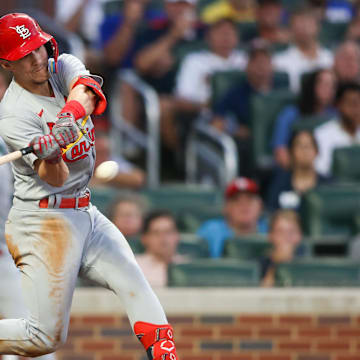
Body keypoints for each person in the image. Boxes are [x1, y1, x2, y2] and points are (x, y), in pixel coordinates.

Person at [0, 13, 178, 360]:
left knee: (132, 281)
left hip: (84, 210)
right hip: (43, 223)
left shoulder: (61, 64)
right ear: (7, 63)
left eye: (38, 47)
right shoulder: (13, 117)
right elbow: (57, 179)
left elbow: (87, 94)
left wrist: (67, 117)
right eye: (25, 55)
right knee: (43, 338)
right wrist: (51, 155)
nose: (37, 58)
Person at [211, 38, 286, 176]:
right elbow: (217, 123)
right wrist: (237, 130)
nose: (260, 67)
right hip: (247, 149)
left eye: (265, 61)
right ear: (247, 65)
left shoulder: (283, 90)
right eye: (255, 61)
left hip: (280, 145)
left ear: (272, 65)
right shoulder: (235, 93)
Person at [272, 68, 337, 169]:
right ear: (312, 86)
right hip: (297, 170)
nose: (328, 89)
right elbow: (280, 152)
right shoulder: (290, 114)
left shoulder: (336, 116)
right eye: (324, 84)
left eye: (332, 86)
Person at [197, 177, 267, 258]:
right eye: (236, 200)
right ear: (226, 207)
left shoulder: (272, 231)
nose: (244, 205)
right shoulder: (210, 231)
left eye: (249, 199)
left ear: (260, 205)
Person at [273, 6, 334, 93]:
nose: (304, 28)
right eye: (299, 23)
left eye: (307, 22)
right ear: (291, 29)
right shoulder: (279, 62)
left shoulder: (330, 59)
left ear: (317, 26)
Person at [267, 130, 331, 210]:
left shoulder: (328, 185)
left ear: (317, 152)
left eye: (308, 146)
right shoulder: (280, 183)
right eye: (300, 146)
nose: (304, 151)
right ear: (291, 152)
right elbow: (271, 211)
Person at [314, 82, 360, 176]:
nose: (357, 110)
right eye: (353, 104)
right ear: (339, 105)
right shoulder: (322, 134)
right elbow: (322, 172)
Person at [136, 210, 184, 287]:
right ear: (144, 238)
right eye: (156, 233)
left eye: (168, 232)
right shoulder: (134, 268)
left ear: (177, 236)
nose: (163, 238)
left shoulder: (188, 266)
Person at [261, 209, 303, 287]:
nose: (286, 237)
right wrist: (275, 265)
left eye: (292, 232)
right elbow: (262, 293)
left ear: (300, 235)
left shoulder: (308, 262)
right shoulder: (261, 264)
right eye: (280, 232)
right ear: (270, 236)